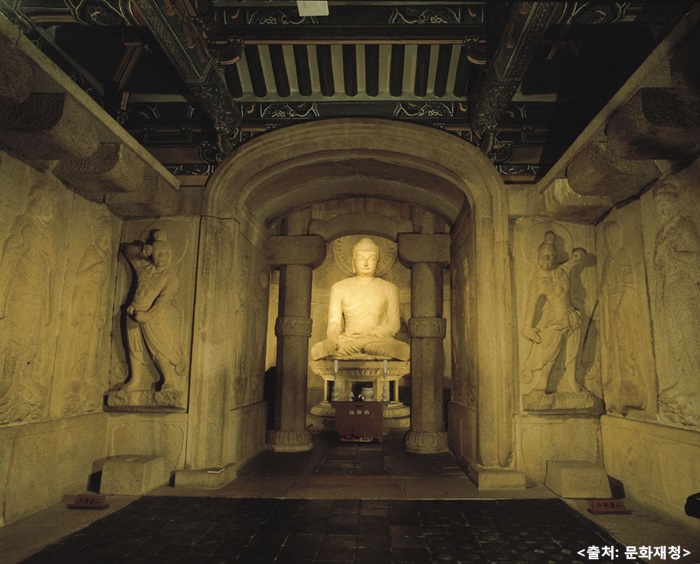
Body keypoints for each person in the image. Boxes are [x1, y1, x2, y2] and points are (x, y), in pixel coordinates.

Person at [311, 237, 409, 361]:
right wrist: (332, 339)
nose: (366, 263)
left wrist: (372, 334)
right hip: (348, 340)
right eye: (361, 258)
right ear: (353, 261)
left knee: (405, 350)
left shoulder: (389, 288)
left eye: (371, 259)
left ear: (378, 262)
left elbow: (394, 324)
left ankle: (363, 347)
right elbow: (334, 322)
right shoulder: (339, 287)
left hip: (377, 340)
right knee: (316, 350)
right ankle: (365, 348)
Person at [521, 231, 585, 394]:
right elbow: (531, 306)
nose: (546, 259)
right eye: (543, 256)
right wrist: (527, 327)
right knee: (550, 353)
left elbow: (577, 258)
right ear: (537, 257)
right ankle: (542, 382)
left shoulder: (562, 271)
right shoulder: (537, 282)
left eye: (550, 256)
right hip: (557, 320)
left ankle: (571, 380)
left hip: (572, 316)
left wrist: (578, 256)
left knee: (572, 353)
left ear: (555, 258)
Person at [121, 230, 183, 392]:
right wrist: (142, 251)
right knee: (134, 348)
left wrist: (147, 315)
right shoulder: (144, 268)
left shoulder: (170, 277)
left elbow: (162, 301)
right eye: (156, 254)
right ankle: (135, 379)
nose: (160, 258)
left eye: (163, 254)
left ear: (169, 253)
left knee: (158, 348)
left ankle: (168, 379)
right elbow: (126, 249)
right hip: (133, 312)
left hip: (153, 316)